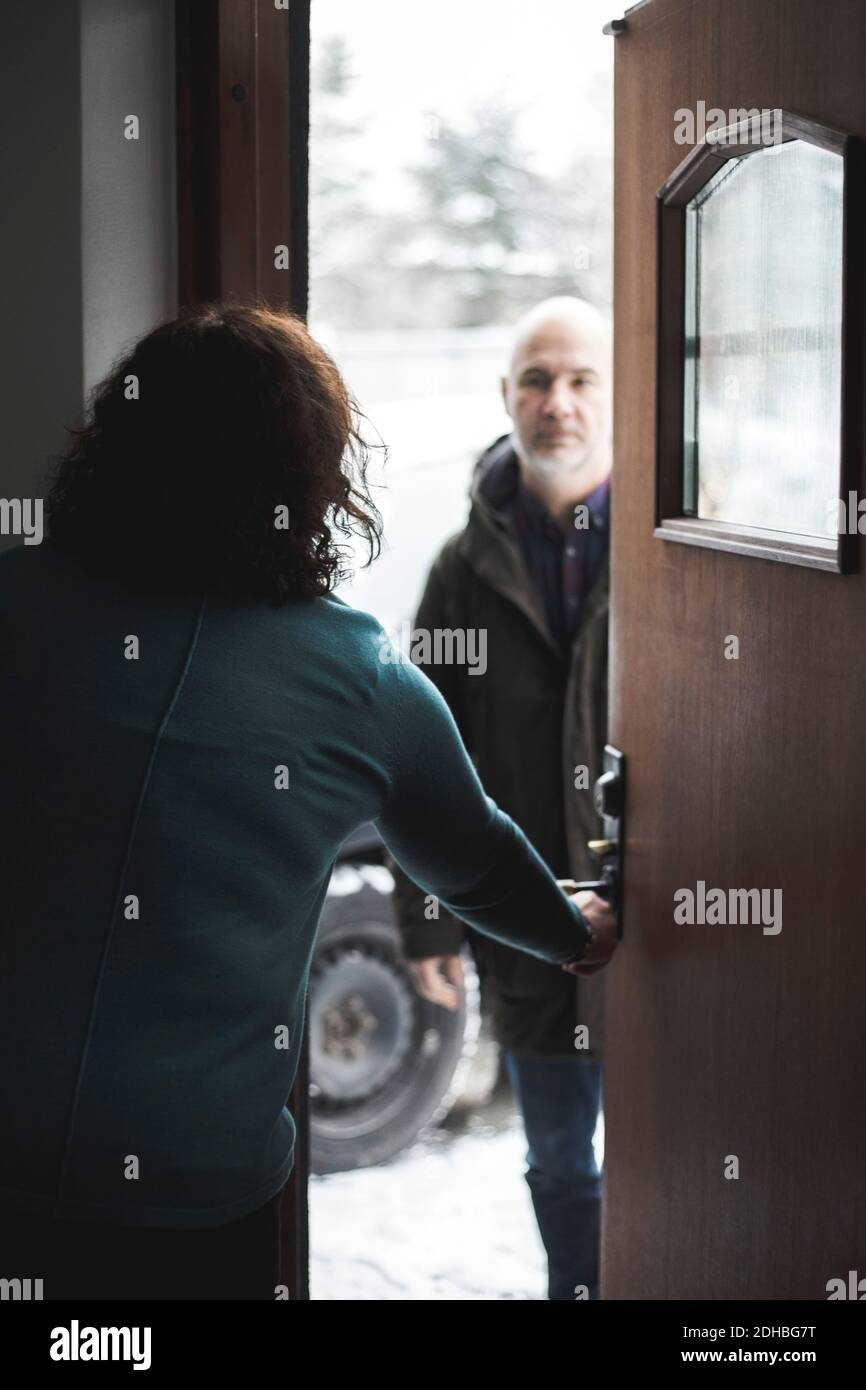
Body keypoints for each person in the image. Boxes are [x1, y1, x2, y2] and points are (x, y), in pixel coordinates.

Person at [0, 304, 617, 1301]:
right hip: (193, 1190)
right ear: (314, 473)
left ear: (113, 444)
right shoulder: (358, 676)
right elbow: (477, 859)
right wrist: (571, 929)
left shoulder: (13, 600)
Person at [391, 296, 613, 1301]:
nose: (555, 402)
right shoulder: (459, 571)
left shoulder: (684, 540)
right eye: (535, 379)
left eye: (579, 378)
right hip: (534, 923)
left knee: (697, 1162)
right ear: (504, 396)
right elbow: (420, 766)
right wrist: (430, 921)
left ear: (618, 391)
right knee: (560, 1161)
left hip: (674, 927)